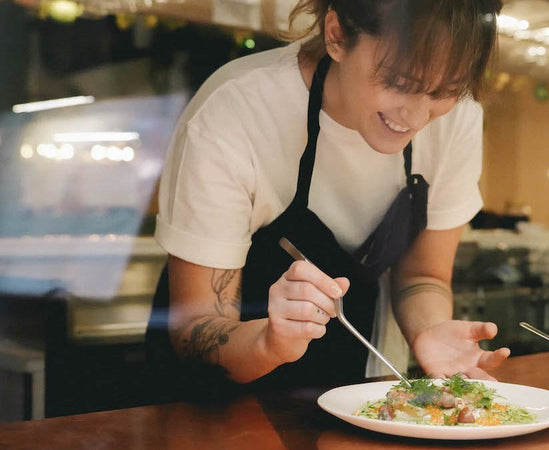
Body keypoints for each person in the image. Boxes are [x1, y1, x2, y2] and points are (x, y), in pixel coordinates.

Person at [145, 0, 509, 401]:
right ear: (336, 35)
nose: (418, 116)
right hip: (213, 405)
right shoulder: (236, 112)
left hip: (350, 391)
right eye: (401, 82)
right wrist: (270, 342)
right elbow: (196, 327)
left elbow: (423, 276)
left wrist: (430, 330)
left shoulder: (459, 118)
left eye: (446, 91)